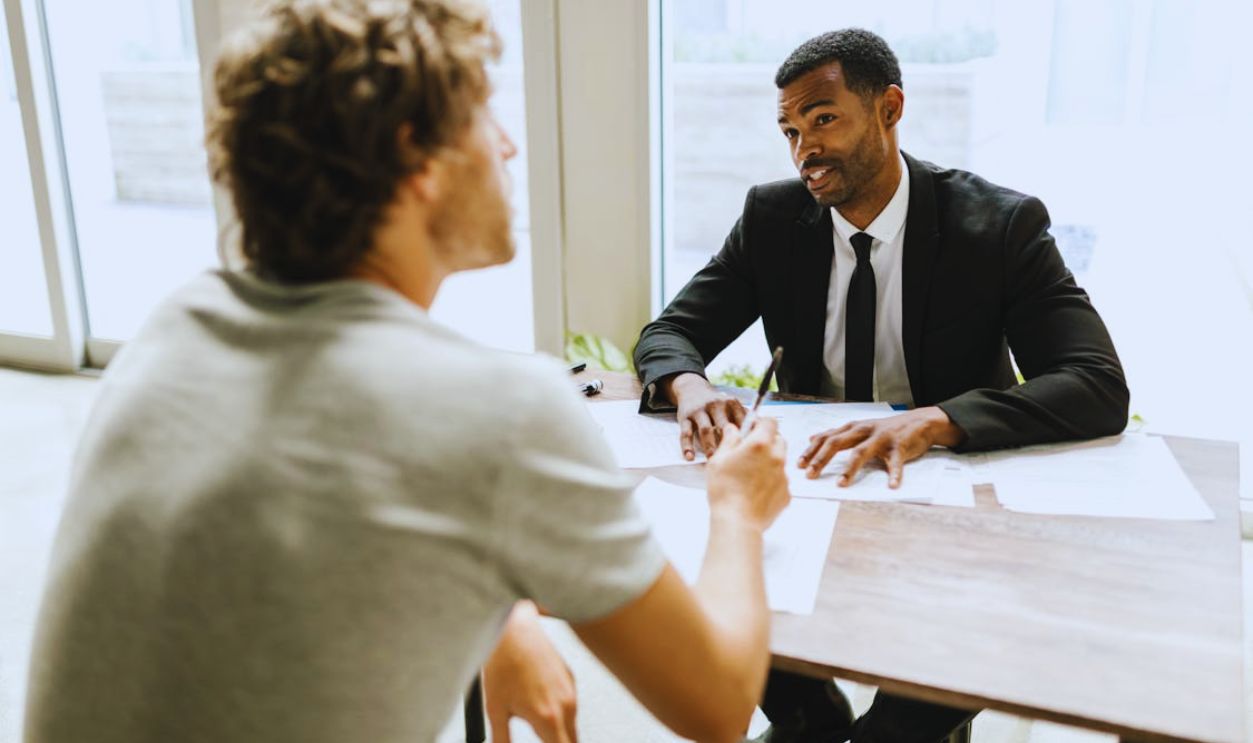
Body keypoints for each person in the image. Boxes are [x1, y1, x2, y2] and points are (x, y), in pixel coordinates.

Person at [22, 2, 792, 743]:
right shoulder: (502, 410)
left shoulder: (174, 328)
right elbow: (719, 704)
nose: (509, 147)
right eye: (486, 116)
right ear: (415, 159)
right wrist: (735, 508)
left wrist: (505, 612)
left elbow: (323, 500)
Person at [633, 28, 1129, 743]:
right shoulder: (772, 219)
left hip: (945, 507)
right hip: (815, 488)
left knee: (900, 725)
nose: (804, 147)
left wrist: (936, 419)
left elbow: (1094, 382)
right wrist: (689, 386)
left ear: (889, 109)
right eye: (789, 129)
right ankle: (809, 713)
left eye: (823, 118)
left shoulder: (997, 225)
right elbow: (668, 333)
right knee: (724, 586)